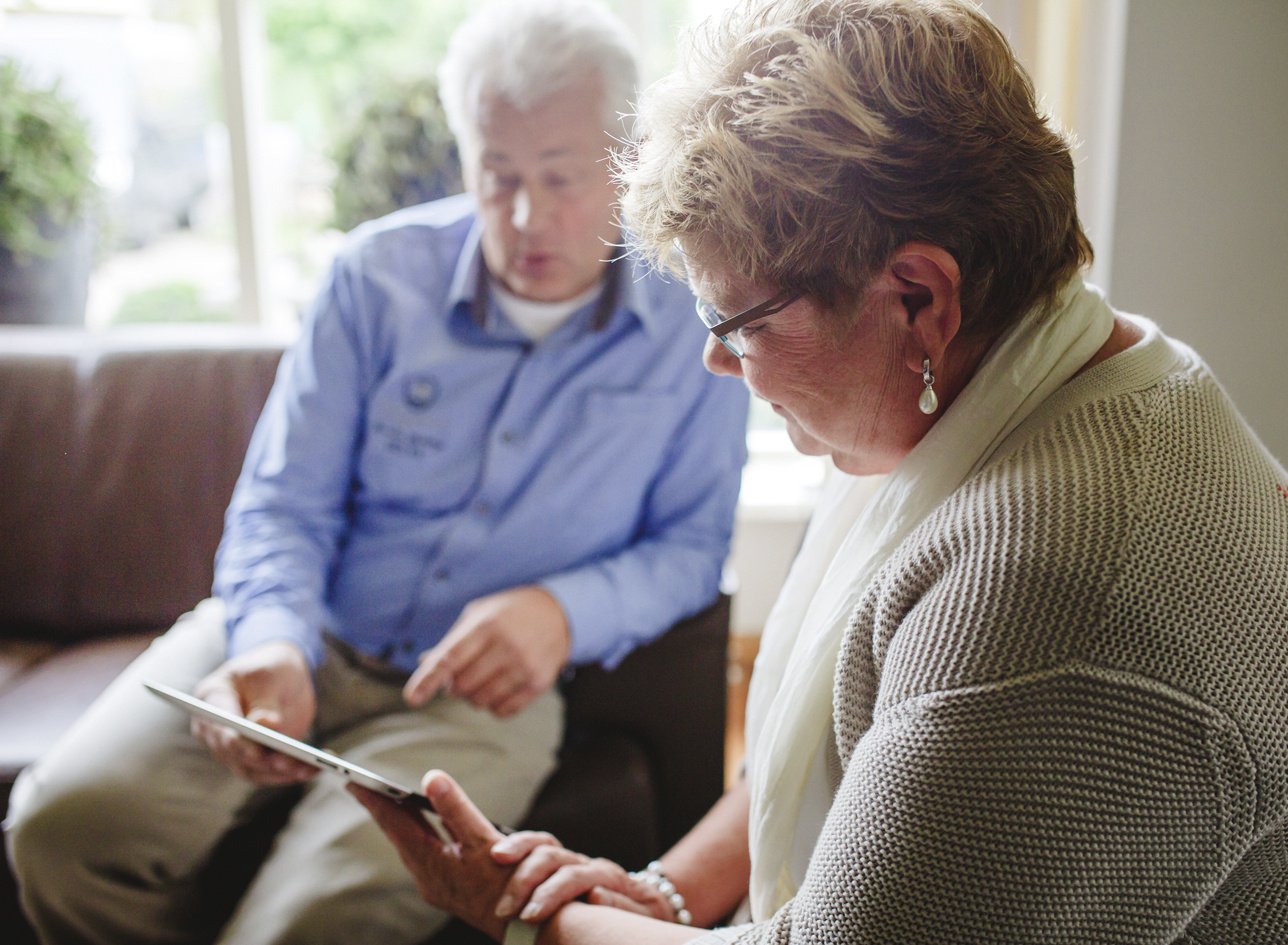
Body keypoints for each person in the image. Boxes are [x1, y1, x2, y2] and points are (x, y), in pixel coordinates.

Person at [350, 1, 1288, 943]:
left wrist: (525, 916)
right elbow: (882, 761)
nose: (714, 359)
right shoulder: (1017, 379)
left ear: (917, 295)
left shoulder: (1051, 588)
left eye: (738, 321)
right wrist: (663, 894)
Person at [3, 2, 749, 943]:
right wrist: (270, 637)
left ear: (626, 157)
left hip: (478, 705)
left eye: (560, 178)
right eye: (497, 175)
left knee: (305, 926)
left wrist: (563, 610)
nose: (525, 217)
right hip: (308, 634)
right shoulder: (370, 279)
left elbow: (689, 549)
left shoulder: (697, 320)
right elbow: (282, 504)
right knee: (57, 831)